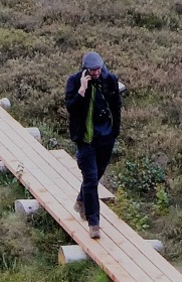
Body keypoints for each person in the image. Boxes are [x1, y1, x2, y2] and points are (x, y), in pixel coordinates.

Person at [64, 51, 122, 239]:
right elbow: (71, 108)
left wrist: (115, 132)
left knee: (97, 176)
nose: (96, 73)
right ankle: (94, 224)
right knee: (90, 179)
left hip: (105, 138)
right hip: (85, 139)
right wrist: (82, 90)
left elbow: (116, 107)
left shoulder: (110, 79)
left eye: (98, 69)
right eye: (92, 70)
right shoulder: (74, 81)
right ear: (85, 69)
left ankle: (81, 200)